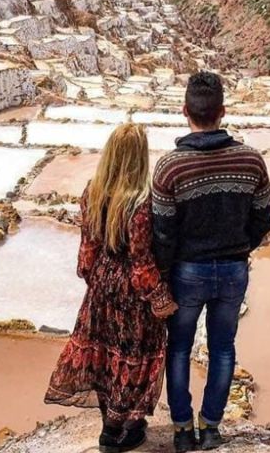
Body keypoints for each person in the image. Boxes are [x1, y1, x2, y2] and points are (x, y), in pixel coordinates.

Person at [152, 72, 270, 452]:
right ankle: (212, 427)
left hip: (188, 272)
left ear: (184, 111)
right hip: (234, 270)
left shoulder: (170, 168)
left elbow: (162, 233)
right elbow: (263, 218)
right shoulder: (250, 160)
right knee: (223, 348)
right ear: (222, 112)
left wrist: (167, 275)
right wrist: (241, 248)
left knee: (179, 348)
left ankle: (182, 430)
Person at [46, 123, 178, 453]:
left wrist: (93, 278)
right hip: (131, 297)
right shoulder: (141, 203)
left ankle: (109, 429)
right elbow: (141, 262)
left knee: (103, 355)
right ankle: (126, 428)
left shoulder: (93, 191)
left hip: (101, 288)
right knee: (134, 358)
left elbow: (87, 250)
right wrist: (161, 299)